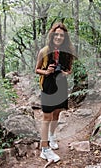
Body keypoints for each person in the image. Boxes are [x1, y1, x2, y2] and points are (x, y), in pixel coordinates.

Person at [35, 22, 75, 163]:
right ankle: (45, 149)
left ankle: (52, 136)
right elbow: (37, 69)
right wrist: (46, 71)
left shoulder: (67, 52)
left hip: (61, 85)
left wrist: (65, 72)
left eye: (61, 35)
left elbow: (69, 69)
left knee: (57, 113)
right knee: (47, 117)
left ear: (65, 37)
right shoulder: (44, 51)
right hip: (48, 85)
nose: (58, 37)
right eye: (56, 34)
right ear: (52, 35)